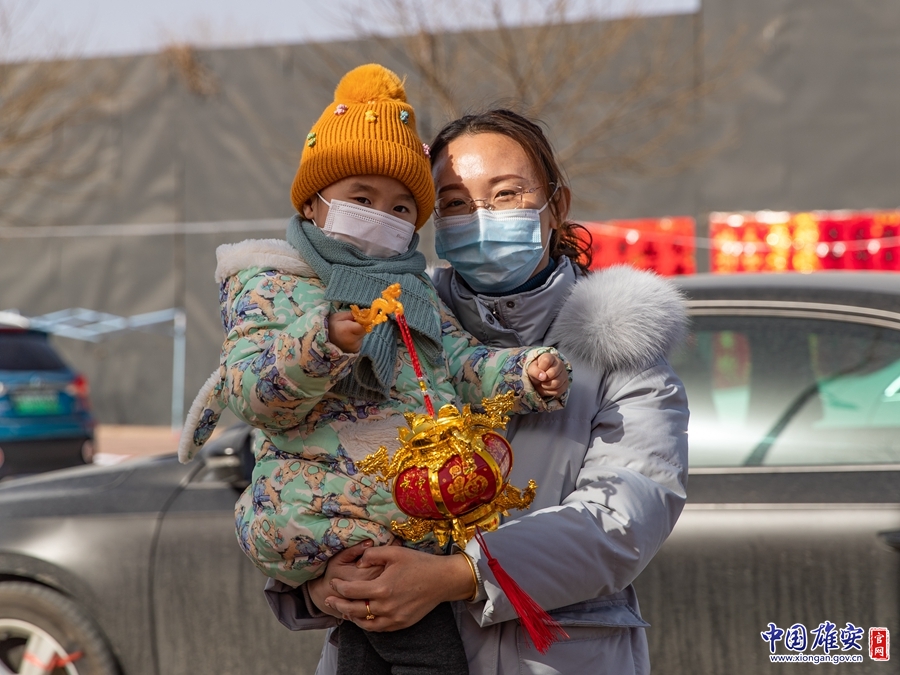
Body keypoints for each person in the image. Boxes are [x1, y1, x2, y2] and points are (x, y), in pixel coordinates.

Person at [264, 108, 690, 675]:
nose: (480, 217)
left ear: (557, 205)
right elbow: (301, 455)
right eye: (456, 203)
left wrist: (457, 575)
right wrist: (319, 582)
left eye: (506, 194)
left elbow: (623, 520)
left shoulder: (620, 351)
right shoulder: (386, 320)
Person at [178, 73, 571, 675]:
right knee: (425, 654)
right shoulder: (271, 284)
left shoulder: (415, 293)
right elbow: (253, 393)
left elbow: (462, 363)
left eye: (401, 207)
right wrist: (324, 342)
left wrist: (523, 374)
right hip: (326, 515)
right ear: (311, 203)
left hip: (407, 517)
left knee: (373, 646)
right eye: (360, 199)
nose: (381, 217)